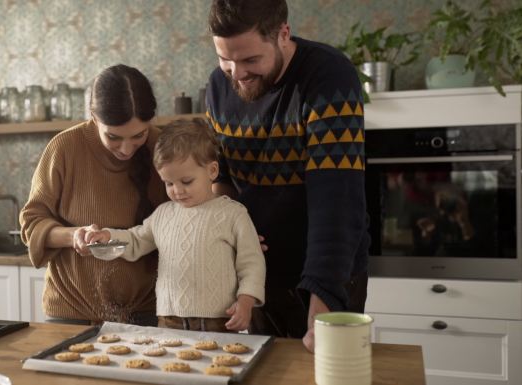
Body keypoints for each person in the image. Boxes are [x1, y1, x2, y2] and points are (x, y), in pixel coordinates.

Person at [206, 0, 371, 351]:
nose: (237, 74)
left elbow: (336, 203)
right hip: (260, 275)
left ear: (283, 34)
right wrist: (235, 233)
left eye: (251, 60)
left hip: (330, 268)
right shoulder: (219, 87)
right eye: (225, 59)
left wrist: (320, 309)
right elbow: (222, 177)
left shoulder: (328, 75)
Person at [83, 118, 266, 332]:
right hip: (169, 320)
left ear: (212, 171)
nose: (177, 191)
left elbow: (252, 264)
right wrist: (108, 236)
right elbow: (136, 240)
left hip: (220, 320)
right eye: (169, 183)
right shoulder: (162, 214)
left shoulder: (233, 214)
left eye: (186, 181)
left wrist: (245, 303)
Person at [19, 64, 168, 326]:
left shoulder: (164, 147)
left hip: (149, 311)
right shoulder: (64, 148)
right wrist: (73, 236)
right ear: (93, 117)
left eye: (138, 136)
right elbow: (32, 223)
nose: (126, 149)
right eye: (114, 137)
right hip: (70, 312)